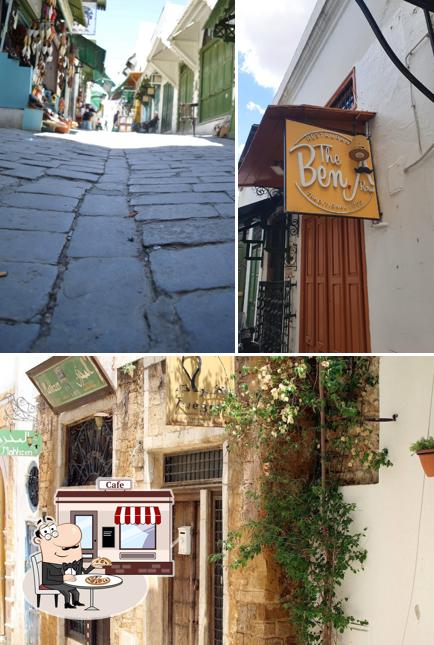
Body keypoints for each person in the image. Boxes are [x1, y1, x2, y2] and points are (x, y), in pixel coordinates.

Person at [33, 517, 95, 609]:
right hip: (51, 583)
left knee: (75, 591)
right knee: (66, 592)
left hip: (63, 581)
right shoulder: (48, 564)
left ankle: (76, 602)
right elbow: (47, 578)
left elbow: (84, 572)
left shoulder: (73, 562)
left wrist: (93, 566)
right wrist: (63, 577)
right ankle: (67, 604)